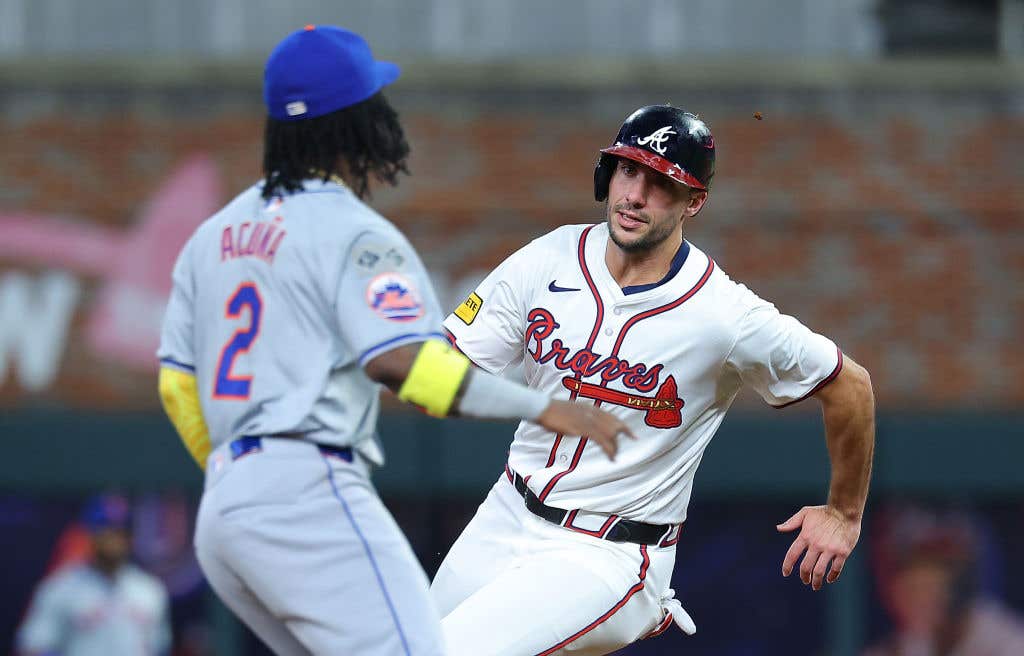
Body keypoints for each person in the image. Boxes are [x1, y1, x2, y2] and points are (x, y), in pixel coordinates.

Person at [155, 24, 631, 656]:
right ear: (355, 122)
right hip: (307, 488)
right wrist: (539, 405)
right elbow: (404, 366)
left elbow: (176, 385)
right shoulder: (356, 234)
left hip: (223, 512)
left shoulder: (212, 237)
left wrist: (239, 477)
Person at [431, 104, 877, 655]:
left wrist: (843, 512)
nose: (635, 195)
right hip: (507, 511)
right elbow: (442, 374)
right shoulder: (548, 258)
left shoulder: (725, 315)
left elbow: (848, 384)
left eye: (662, 182)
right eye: (628, 170)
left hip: (608, 552)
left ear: (695, 201)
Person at [16, 494, 171, 656]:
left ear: (130, 536)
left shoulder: (149, 590)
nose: (113, 538)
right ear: (90, 534)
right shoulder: (61, 587)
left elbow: (159, 647)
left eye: (120, 531)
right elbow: (34, 645)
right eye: (106, 529)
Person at [863, 505, 1024, 656]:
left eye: (928, 587)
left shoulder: (1005, 640)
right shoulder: (908, 644)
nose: (920, 599)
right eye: (912, 589)